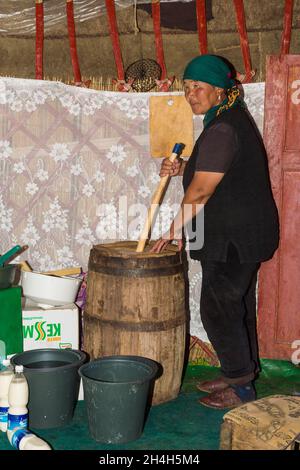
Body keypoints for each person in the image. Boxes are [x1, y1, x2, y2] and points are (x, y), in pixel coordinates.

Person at [151, 54, 279, 409]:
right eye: (187, 86)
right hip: (238, 232)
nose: (191, 93)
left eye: (199, 87)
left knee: (218, 307)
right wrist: (183, 169)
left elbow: (203, 191)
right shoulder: (225, 121)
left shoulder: (223, 127)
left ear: (221, 91)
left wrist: (174, 230)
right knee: (234, 305)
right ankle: (238, 371)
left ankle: (240, 388)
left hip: (233, 236)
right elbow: (218, 172)